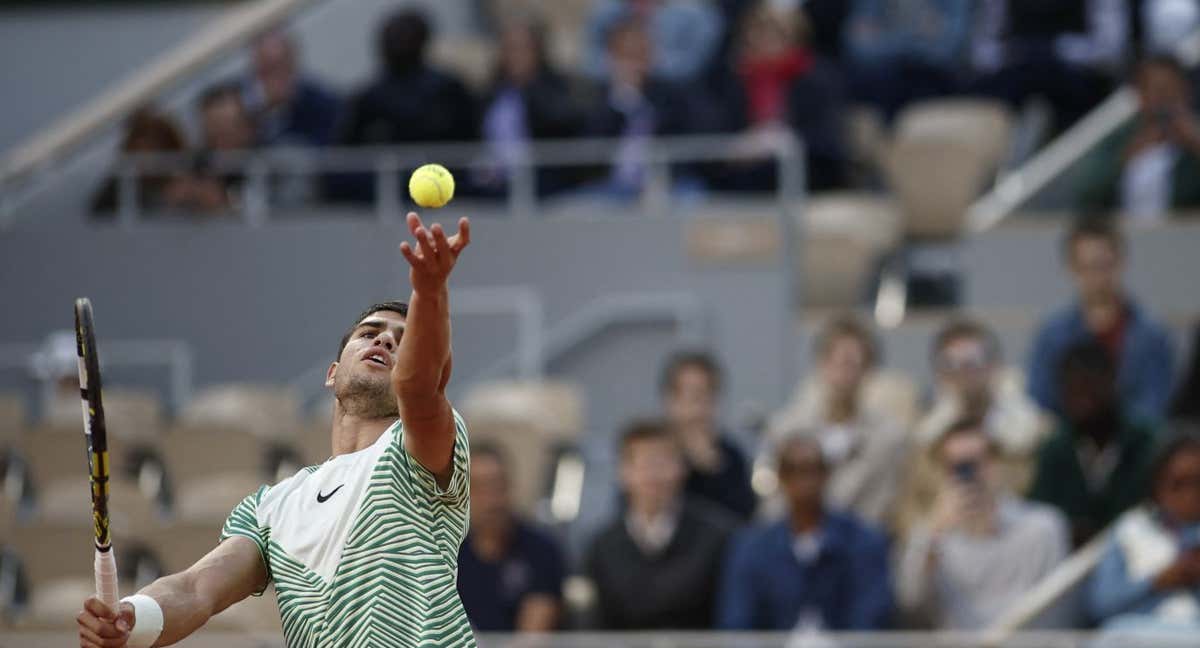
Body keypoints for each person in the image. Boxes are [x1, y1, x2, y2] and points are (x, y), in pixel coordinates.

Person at [76, 212, 476, 648]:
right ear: (332, 372)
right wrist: (134, 617)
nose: (384, 341)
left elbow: (418, 386)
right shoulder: (271, 507)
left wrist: (430, 293)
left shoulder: (417, 453)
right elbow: (196, 589)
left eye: (401, 337)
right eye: (369, 333)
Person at [897, 420, 1072, 629]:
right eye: (958, 467)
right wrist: (933, 534)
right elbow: (909, 603)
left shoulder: (1043, 528)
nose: (970, 476)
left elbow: (1056, 615)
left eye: (975, 463)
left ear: (997, 464)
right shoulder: (930, 541)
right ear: (943, 473)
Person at [718, 435, 893, 631]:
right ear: (781, 477)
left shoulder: (864, 542)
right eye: (793, 471)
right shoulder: (752, 549)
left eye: (813, 470)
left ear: (827, 475)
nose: (804, 481)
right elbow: (738, 625)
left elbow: (871, 620)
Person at [583, 419, 735, 629]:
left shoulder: (719, 536)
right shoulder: (602, 546)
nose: (653, 475)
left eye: (663, 462)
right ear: (623, 472)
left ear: (682, 468)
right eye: (643, 463)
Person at [900, 319, 1050, 532]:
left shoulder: (1033, 433)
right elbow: (909, 513)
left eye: (972, 360)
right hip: (947, 546)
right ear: (939, 374)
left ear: (994, 365)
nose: (963, 372)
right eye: (950, 363)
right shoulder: (926, 443)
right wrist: (934, 525)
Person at [766, 316, 909, 529]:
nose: (845, 374)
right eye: (838, 362)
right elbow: (773, 501)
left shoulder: (889, 438)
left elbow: (881, 510)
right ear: (820, 364)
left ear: (869, 371)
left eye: (856, 364)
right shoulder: (785, 429)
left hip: (856, 551)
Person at [1027, 218, 1175, 423]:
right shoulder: (1051, 335)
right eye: (1086, 267)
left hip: (1133, 448)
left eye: (1103, 265)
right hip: (1070, 447)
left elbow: (1155, 405)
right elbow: (1040, 403)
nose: (1096, 276)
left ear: (1120, 262)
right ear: (1071, 269)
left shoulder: (1152, 335)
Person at [333, 10, 477, 202]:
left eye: (406, 37)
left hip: (448, 193)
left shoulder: (448, 89)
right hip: (381, 198)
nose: (399, 44)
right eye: (394, 38)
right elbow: (344, 155)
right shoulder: (369, 98)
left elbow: (471, 141)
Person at [1029, 340, 1160, 547]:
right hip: (1069, 564)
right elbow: (1038, 517)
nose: (1081, 402)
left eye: (1088, 390)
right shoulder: (1055, 450)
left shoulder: (1147, 444)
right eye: (1072, 392)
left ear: (1111, 383)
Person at [580, 18, 710, 196]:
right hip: (611, 186)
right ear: (611, 56)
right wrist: (618, 104)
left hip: (668, 184)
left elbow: (686, 142)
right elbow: (590, 152)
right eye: (626, 54)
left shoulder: (673, 94)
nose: (633, 63)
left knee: (695, 200)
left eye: (640, 54)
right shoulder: (595, 96)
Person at [1088, 433, 1200, 634]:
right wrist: (1157, 583)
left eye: (1198, 483)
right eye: (1179, 484)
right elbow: (1101, 606)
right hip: (1141, 636)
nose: (1191, 495)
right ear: (1157, 487)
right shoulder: (1130, 529)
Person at [969, 0, 1130, 132]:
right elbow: (982, 52)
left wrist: (1058, 48)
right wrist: (1017, 51)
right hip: (1016, 80)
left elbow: (1111, 51)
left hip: (1077, 85)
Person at [456, 442, 565, 632]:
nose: (491, 499)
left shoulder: (541, 551)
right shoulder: (445, 556)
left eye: (497, 485)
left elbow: (532, 638)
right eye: (478, 487)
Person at [1076, 54, 1200, 220]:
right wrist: (1129, 154)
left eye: (1170, 89)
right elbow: (1087, 191)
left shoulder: (1194, 135)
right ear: (1140, 95)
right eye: (1156, 90)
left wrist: (1194, 142)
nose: (1164, 98)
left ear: (1186, 91)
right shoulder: (1120, 137)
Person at [473, 14, 583, 197]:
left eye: (523, 48)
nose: (516, 56)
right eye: (509, 48)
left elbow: (561, 124)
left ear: (538, 50)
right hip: (494, 183)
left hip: (543, 184)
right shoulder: (491, 93)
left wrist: (529, 88)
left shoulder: (556, 87)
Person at [659, 350, 756, 520]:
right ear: (670, 400)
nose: (699, 406)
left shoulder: (730, 455)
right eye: (691, 395)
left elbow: (744, 518)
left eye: (708, 394)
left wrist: (713, 470)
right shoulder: (652, 451)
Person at [843, 0, 971, 121]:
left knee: (909, 77)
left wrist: (884, 38)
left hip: (931, 77)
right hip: (880, 74)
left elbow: (946, 50)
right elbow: (857, 47)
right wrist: (916, 36)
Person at [89, 107, 197, 217]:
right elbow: (99, 212)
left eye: (153, 146)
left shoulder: (188, 173)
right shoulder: (122, 181)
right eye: (139, 148)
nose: (146, 157)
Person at [583, 0, 725, 83]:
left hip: (674, 94)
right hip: (616, 92)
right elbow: (590, 63)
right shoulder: (605, 12)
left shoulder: (695, 15)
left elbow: (695, 65)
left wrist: (649, 64)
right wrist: (623, 68)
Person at [245, 30, 340, 148]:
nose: (275, 77)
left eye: (281, 67)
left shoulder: (322, 103)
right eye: (267, 69)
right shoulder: (240, 107)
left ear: (293, 64)